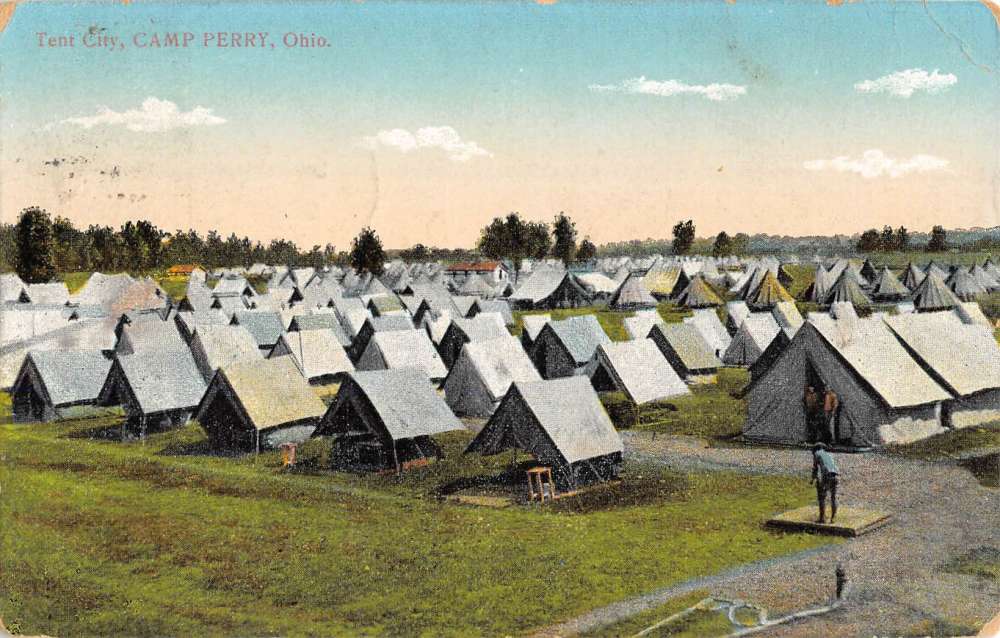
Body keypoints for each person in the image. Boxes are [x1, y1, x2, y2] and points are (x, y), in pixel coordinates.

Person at [810, 442, 839, 523]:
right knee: (833, 497)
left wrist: (813, 480)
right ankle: (833, 518)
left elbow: (815, 468)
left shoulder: (817, 453)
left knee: (822, 496)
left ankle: (822, 518)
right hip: (836, 476)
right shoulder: (829, 454)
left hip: (827, 476)